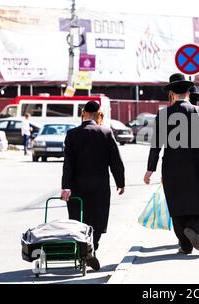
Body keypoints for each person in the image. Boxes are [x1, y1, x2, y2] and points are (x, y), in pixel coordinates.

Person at [144, 73, 199, 255]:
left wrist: (150, 169)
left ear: (172, 93)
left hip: (172, 168)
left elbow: (156, 145)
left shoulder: (163, 114)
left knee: (177, 205)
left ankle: (184, 244)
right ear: (189, 93)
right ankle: (193, 229)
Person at [61, 101, 125, 271]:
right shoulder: (105, 132)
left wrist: (66, 187)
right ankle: (92, 248)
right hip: (100, 187)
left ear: (83, 113)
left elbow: (68, 163)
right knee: (97, 220)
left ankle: (82, 250)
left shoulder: (72, 134)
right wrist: (120, 182)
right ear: (98, 114)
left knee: (78, 220)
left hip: (76, 187)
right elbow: (115, 161)